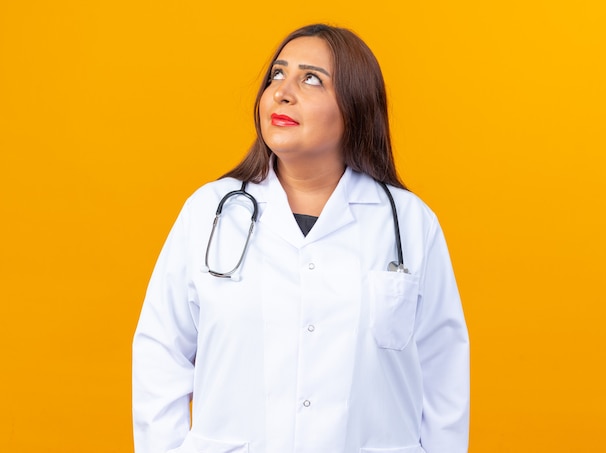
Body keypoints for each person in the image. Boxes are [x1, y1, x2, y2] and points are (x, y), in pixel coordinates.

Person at [132, 23, 469, 453]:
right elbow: (161, 354)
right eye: (277, 74)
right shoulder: (210, 213)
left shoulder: (409, 223)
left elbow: (444, 377)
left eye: (311, 79)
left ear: (356, 105)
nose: (282, 92)